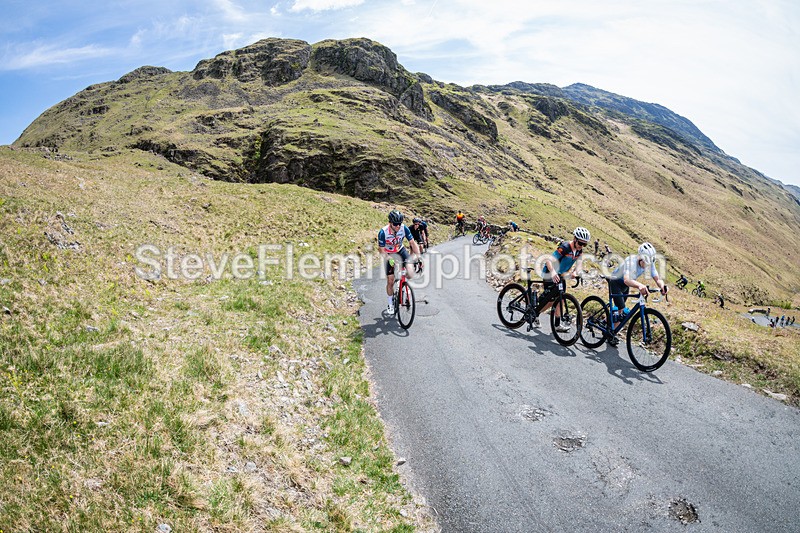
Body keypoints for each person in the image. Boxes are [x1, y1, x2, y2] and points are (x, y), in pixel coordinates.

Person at [607, 242, 668, 343]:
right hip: (616, 282)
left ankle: (609, 328)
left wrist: (662, 286)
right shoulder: (630, 262)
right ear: (640, 258)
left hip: (625, 286)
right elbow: (627, 279)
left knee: (618, 311)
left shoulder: (649, 263)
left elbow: (657, 279)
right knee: (623, 311)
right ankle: (611, 332)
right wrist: (640, 285)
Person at [537, 227, 590, 332]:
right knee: (551, 300)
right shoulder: (565, 247)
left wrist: (575, 273)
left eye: (585, 244)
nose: (581, 246)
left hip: (561, 275)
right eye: (580, 243)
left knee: (560, 299)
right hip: (550, 273)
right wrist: (553, 272)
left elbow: (579, 265)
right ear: (575, 239)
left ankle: (557, 325)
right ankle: (536, 312)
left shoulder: (579, 251)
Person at [378, 210, 421, 313]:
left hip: (400, 250)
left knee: (411, 273)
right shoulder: (383, 232)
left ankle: (403, 283)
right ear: (390, 222)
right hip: (389, 254)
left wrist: (419, 257)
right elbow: (381, 250)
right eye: (395, 224)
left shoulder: (404, 228)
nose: (398, 226)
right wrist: (389, 259)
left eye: (399, 224)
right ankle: (390, 304)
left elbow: (412, 243)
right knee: (390, 281)